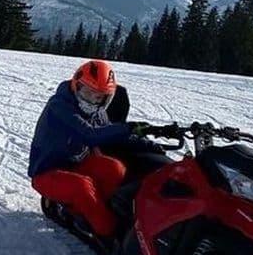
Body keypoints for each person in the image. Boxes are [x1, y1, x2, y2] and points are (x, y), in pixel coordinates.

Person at [28, 60, 161, 241]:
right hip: (47, 172)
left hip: (76, 164)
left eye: (97, 97)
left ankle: (98, 211)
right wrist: (128, 127)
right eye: (86, 92)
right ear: (76, 85)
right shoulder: (59, 107)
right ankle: (109, 232)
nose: (90, 100)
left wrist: (150, 143)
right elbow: (90, 134)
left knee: (115, 168)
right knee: (81, 187)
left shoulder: (97, 112)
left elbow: (112, 135)